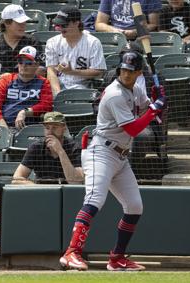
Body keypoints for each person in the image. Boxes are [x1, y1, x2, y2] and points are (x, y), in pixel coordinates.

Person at [59, 51, 167, 271]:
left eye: (130, 71)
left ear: (138, 73)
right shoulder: (114, 93)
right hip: (101, 151)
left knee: (135, 206)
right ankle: (71, 253)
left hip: (120, 156)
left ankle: (117, 258)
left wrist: (157, 99)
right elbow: (133, 128)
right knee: (94, 199)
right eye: (123, 69)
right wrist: (155, 107)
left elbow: (151, 113)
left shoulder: (136, 89)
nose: (125, 73)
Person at [100, 41, 167, 171]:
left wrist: (157, 101)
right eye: (125, 56)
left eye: (132, 57)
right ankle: (123, 168)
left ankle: (130, 168)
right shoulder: (112, 80)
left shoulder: (148, 81)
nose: (128, 60)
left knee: (142, 135)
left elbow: (154, 108)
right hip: (114, 125)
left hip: (142, 124)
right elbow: (97, 103)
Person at [0, 46, 52, 131]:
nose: (23, 66)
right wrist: (4, 128)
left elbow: (47, 105)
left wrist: (25, 112)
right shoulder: (5, 80)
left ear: (37, 65)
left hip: (26, 129)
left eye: (28, 63)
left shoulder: (43, 83)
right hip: (0, 125)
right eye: (20, 62)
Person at [46, 7, 106, 94]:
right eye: (59, 25)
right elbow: (51, 71)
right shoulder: (52, 42)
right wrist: (57, 94)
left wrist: (73, 72)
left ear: (76, 23)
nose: (61, 29)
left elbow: (98, 71)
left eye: (64, 25)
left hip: (83, 88)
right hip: (59, 85)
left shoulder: (93, 42)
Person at [12, 111, 83, 185]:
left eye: (54, 127)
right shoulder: (36, 147)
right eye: (47, 128)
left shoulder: (74, 148)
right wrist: (38, 188)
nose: (50, 132)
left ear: (64, 127)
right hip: (42, 193)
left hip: (67, 193)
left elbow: (76, 182)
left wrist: (60, 151)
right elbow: (16, 179)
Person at [95, 0, 162, 40]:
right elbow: (99, 24)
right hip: (116, 39)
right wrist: (115, 31)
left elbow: (154, 25)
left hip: (141, 38)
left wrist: (136, 31)